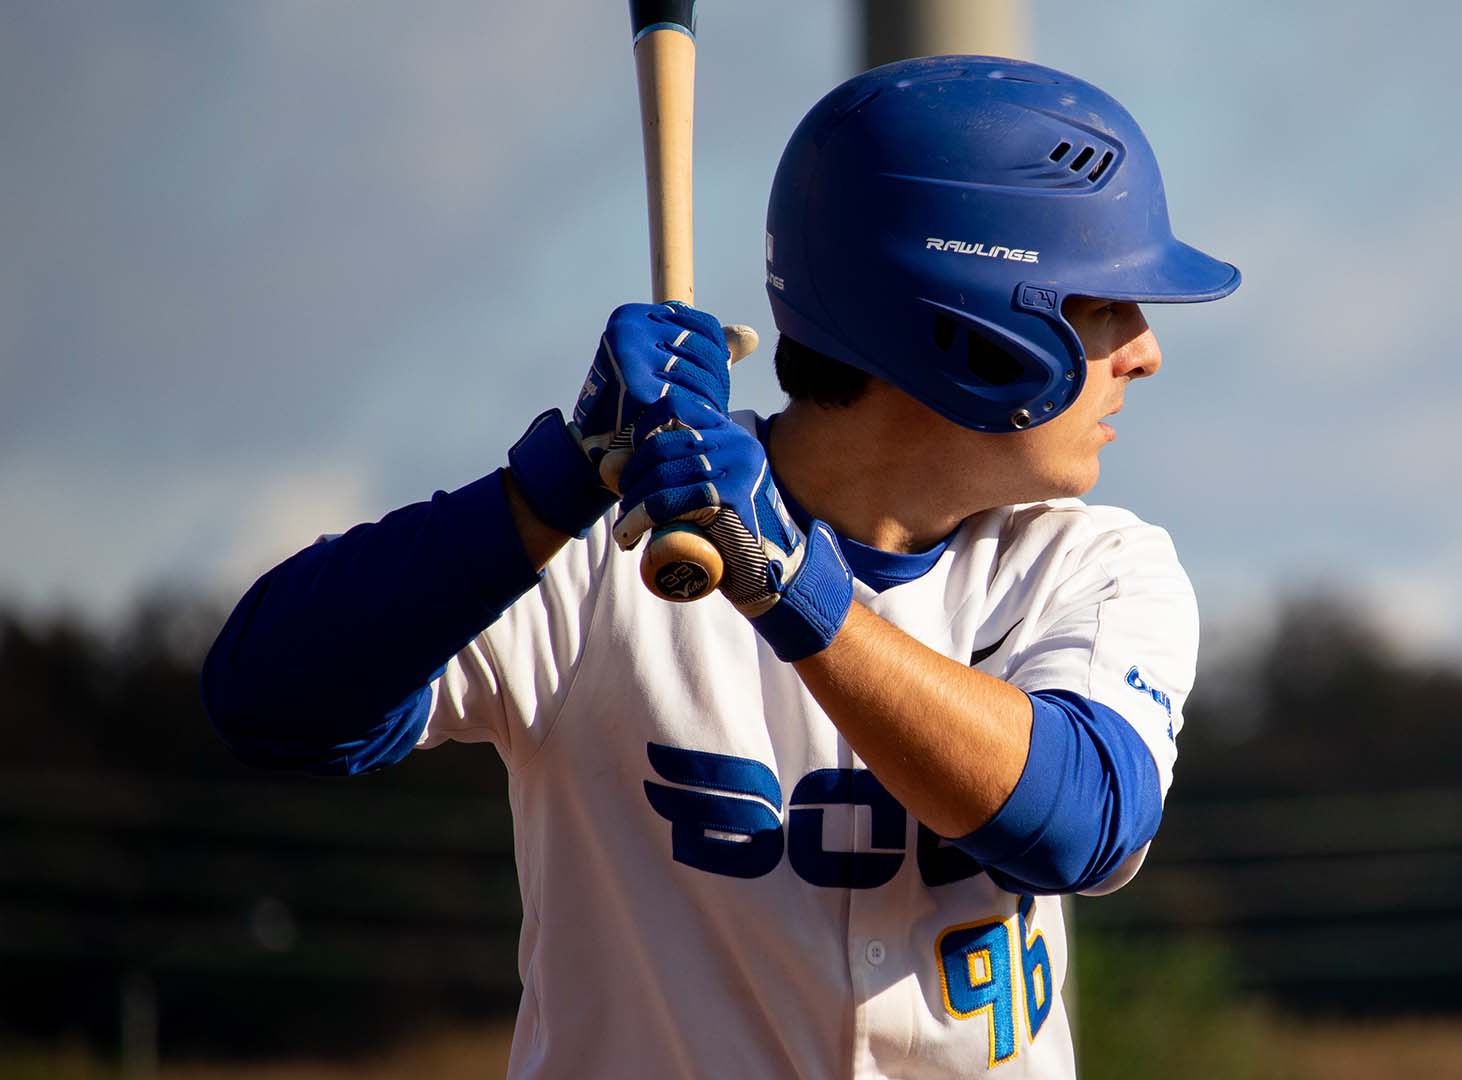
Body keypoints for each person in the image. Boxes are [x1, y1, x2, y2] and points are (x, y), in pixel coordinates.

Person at [202, 54, 1238, 1078]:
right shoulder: (602, 546)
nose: (1143, 351)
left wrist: (790, 582)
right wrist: (555, 481)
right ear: (968, 330)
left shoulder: (1095, 566)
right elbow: (269, 702)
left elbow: (1079, 823)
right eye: (1104, 310)